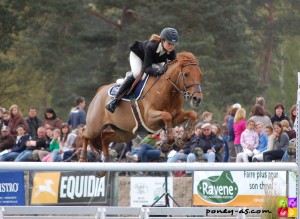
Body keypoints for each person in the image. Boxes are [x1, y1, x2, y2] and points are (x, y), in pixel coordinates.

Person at [105, 27, 179, 113]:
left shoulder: (172, 51)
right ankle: (115, 100)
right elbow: (146, 68)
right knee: (137, 73)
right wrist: (158, 72)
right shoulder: (151, 46)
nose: (171, 46)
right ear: (162, 41)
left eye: (173, 44)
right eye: (169, 43)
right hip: (139, 56)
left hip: (153, 60)